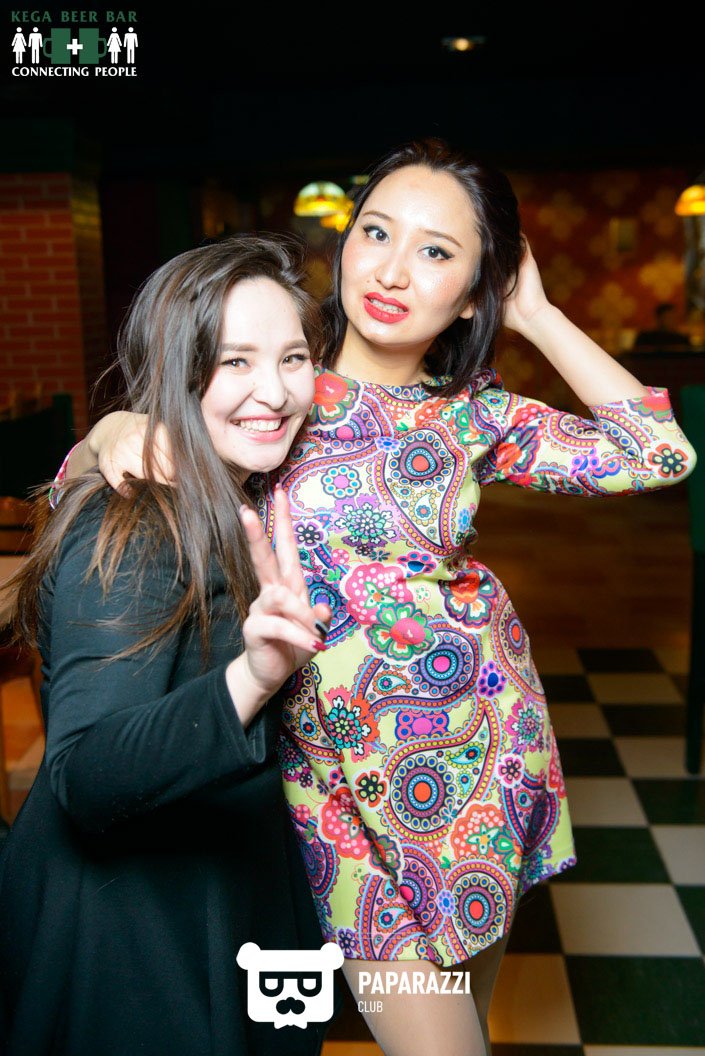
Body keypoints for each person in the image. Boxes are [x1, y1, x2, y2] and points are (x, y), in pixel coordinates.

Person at [56, 140, 698, 1056]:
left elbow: (658, 453)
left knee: (464, 1028)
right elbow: (101, 479)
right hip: (331, 785)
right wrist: (114, 428)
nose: (393, 270)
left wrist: (539, 315)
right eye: (376, 233)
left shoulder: (474, 412)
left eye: (437, 252)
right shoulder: (276, 386)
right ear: (344, 241)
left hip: (478, 757)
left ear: (474, 291)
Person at [0, 234, 336, 1056]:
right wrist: (253, 678)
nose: (273, 391)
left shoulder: (244, 484)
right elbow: (83, 772)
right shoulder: (138, 521)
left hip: (220, 884)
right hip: (131, 935)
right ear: (180, 374)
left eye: (292, 358)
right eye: (233, 361)